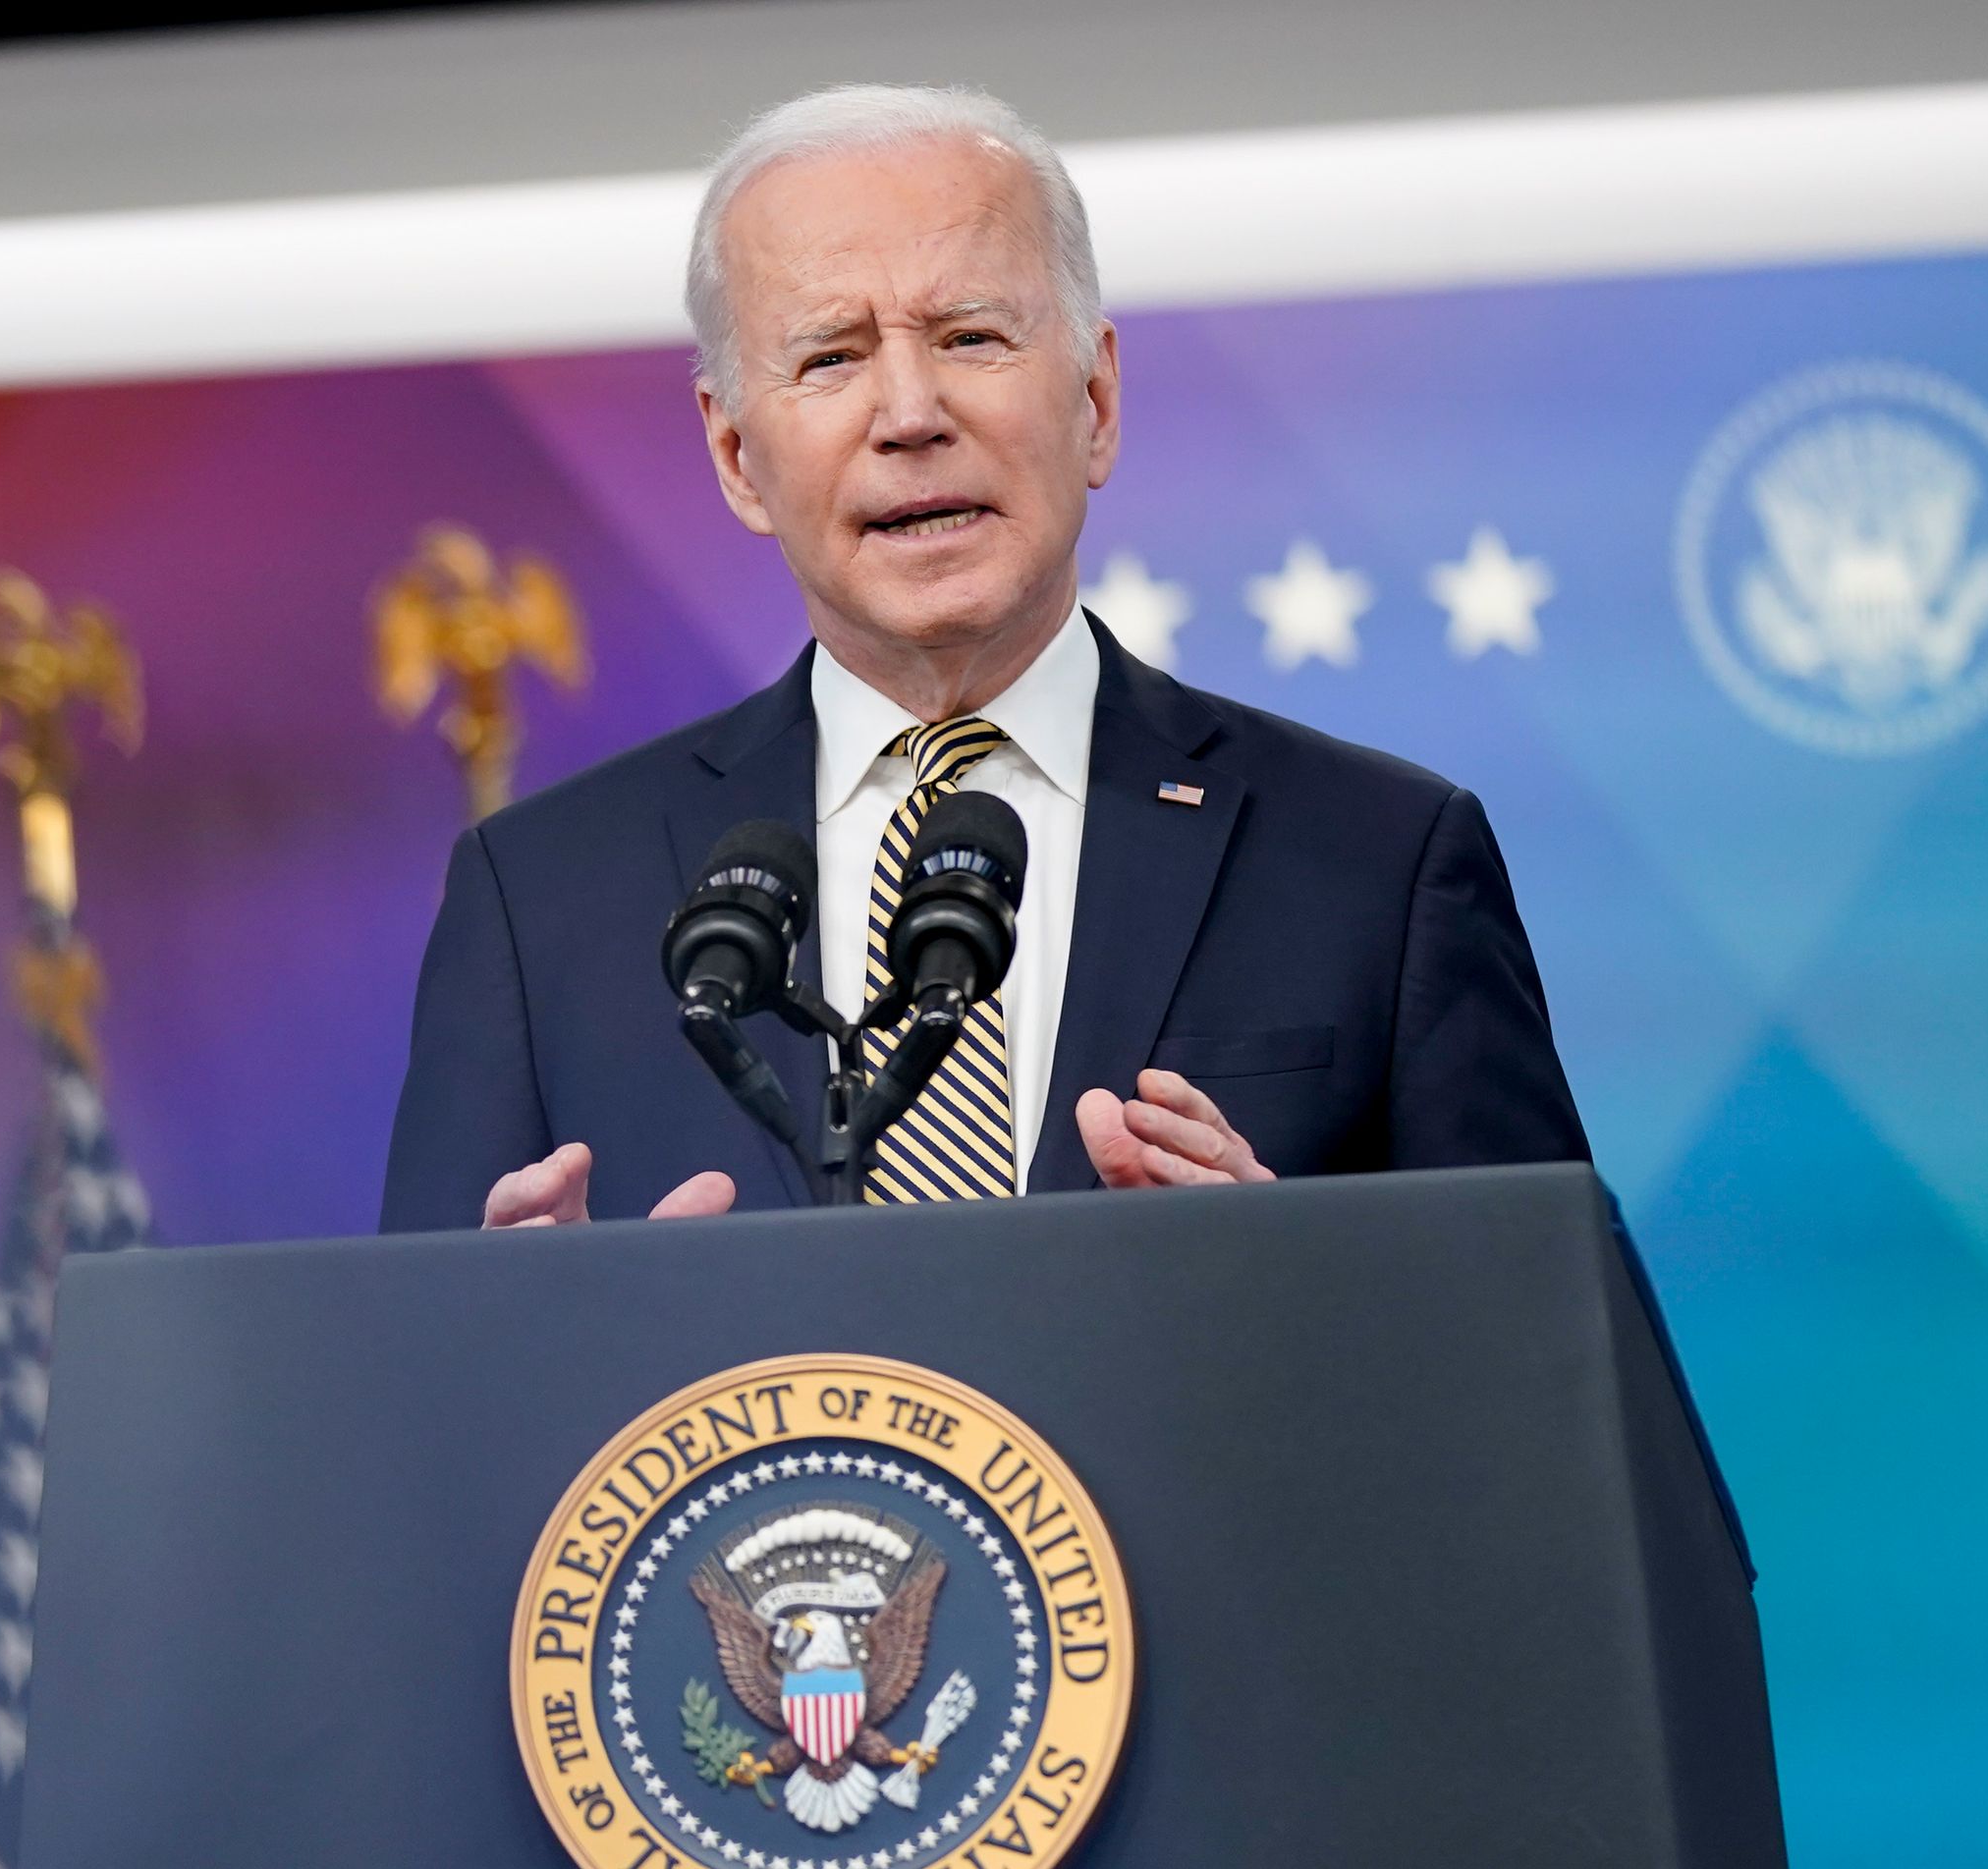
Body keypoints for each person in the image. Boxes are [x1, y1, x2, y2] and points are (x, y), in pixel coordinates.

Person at [380, 84, 1588, 1232]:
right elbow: (402, 1405)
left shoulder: (1380, 860)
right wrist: (520, 1337)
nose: (910, 412)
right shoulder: (536, 898)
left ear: (1097, 399)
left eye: (970, 335)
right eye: (830, 358)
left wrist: (1295, 1295)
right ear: (738, 457)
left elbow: (1555, 1374)